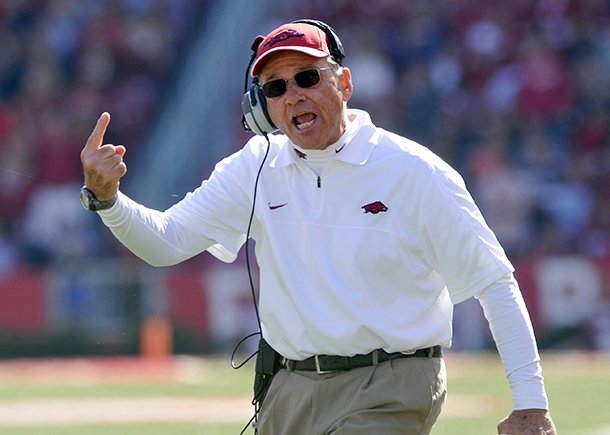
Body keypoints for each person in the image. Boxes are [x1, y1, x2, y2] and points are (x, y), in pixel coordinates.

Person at [80, 19, 557, 435]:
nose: (293, 95)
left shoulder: (414, 171)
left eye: (307, 77)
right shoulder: (253, 166)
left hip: (389, 385)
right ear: (261, 105)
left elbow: (493, 281)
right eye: (275, 88)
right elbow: (166, 243)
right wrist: (108, 199)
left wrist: (531, 404)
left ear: (344, 84)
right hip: (287, 388)